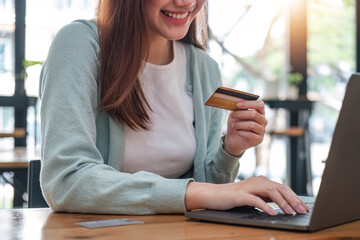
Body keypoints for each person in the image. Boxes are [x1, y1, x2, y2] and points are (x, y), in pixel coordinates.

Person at [39, 0, 309, 216]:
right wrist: (195, 194)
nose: (186, 2)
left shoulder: (204, 68)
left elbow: (209, 193)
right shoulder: (78, 44)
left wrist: (230, 149)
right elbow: (67, 181)